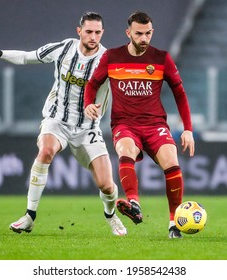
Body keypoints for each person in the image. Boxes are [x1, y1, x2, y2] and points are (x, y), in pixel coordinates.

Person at [0, 12, 127, 236]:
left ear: (102, 33)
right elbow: (27, 57)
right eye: (88, 32)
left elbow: (126, 86)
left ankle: (111, 215)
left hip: (88, 129)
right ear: (79, 32)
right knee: (46, 151)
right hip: (57, 120)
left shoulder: (109, 60)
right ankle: (29, 216)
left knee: (107, 186)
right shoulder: (64, 49)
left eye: (97, 32)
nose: (93, 36)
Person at [84, 11, 195, 239]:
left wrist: (188, 129)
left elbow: (180, 94)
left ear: (151, 32)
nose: (144, 39)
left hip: (155, 124)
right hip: (124, 124)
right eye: (139, 34)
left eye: (148, 34)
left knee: (172, 161)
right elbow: (92, 84)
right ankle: (134, 203)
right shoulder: (112, 57)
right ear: (129, 33)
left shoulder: (162, 58)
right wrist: (88, 104)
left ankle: (174, 223)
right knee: (126, 150)